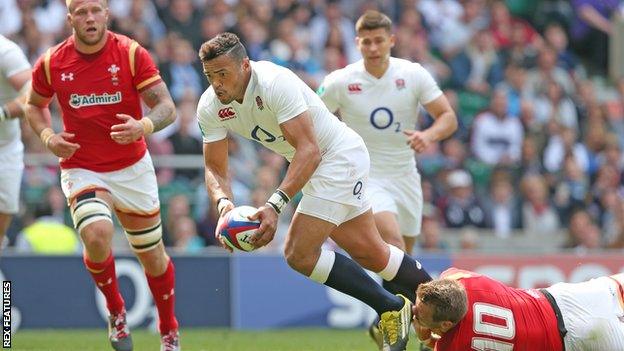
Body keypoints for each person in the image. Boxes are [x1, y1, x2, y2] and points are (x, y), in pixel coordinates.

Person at [197, 32, 434, 351]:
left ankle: (391, 308)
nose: (217, 83)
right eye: (210, 76)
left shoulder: (274, 82)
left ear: (245, 65)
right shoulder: (210, 106)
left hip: (336, 157)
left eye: (223, 74)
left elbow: (309, 150)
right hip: (318, 167)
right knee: (371, 252)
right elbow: (215, 167)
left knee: (298, 252)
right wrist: (223, 204)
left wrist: (274, 205)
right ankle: (447, 302)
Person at [25, 1, 179, 350]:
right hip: (83, 166)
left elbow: (166, 106)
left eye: (96, 9)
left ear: (107, 14)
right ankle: (116, 311)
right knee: (96, 234)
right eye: (81, 11)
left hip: (132, 168)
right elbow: (34, 105)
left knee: (152, 256)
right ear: (70, 18)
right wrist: (49, 137)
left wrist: (144, 124)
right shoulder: (52, 62)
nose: (89, 18)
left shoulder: (130, 54)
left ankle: (168, 328)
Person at [316, 11, 457, 348]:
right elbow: (312, 119)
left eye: (379, 40)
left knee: (402, 260)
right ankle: (417, 324)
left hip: (405, 176)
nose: (373, 47)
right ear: (357, 43)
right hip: (366, 175)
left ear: (391, 41)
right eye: (366, 41)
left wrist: (429, 135)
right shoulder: (340, 81)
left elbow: (448, 117)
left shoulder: (412, 75)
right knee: (390, 241)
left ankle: (387, 320)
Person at [412, 267, 624, 350]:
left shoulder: (451, 345)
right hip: (565, 300)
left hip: (575, 341)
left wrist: (425, 337)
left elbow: (452, 342)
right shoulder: (460, 280)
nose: (414, 311)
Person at [0, 34, 31, 247]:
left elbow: (34, 95)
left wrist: (1, 113)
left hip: (5, 150)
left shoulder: (6, 52)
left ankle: (4, 283)